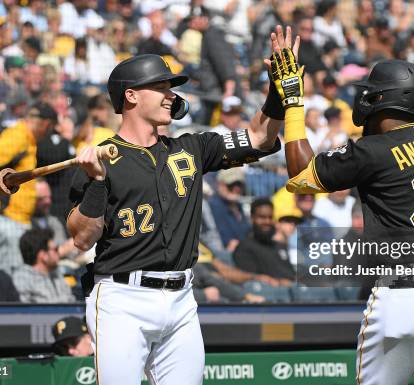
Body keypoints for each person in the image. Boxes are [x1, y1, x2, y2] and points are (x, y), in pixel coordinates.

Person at [270, 26, 414, 384]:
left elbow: (300, 175)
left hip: (406, 293)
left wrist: (294, 102)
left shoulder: (374, 149)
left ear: (379, 99)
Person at [67, 50, 282, 384]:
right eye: (162, 87)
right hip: (123, 299)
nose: (172, 95)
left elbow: (259, 138)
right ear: (131, 95)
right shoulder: (101, 158)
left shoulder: (191, 147)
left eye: (171, 88)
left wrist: (277, 93)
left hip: (182, 298)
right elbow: (82, 237)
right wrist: (96, 182)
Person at [0, 102, 58, 274]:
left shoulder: (27, 138)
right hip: (8, 221)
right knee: (12, 277)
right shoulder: (19, 136)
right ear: (47, 124)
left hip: (17, 222)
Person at [233, 198, 295, 283]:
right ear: (252, 218)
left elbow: (291, 276)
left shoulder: (280, 246)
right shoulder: (244, 248)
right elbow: (252, 282)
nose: (267, 221)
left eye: (270, 217)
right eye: (262, 217)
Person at [13, 228, 75, 304]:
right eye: (55, 249)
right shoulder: (22, 279)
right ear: (43, 255)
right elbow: (23, 312)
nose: (58, 252)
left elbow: (71, 301)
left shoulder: (56, 273)